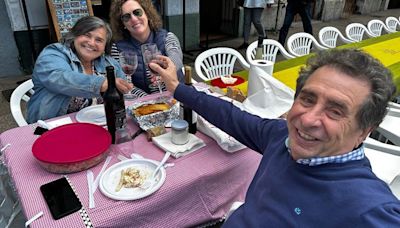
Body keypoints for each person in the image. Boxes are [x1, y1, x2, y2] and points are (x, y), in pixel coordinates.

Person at [151, 48, 400, 226]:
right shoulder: (281, 136)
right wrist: (178, 88)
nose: (307, 119)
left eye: (335, 111)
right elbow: (231, 116)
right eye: (307, 99)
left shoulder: (370, 209)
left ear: (364, 131)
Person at [27, 16, 132, 123]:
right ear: (75, 35)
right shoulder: (54, 53)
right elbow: (58, 77)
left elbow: (123, 90)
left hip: (98, 124)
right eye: (87, 35)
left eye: (99, 40)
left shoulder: (108, 63)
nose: (91, 43)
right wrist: (101, 84)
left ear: (105, 46)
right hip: (52, 125)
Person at [109, 0, 184, 95]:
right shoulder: (117, 48)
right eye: (126, 17)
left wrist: (165, 73)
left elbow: (176, 60)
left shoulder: (167, 37)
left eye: (137, 12)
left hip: (174, 97)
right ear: (122, 23)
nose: (134, 19)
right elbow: (123, 82)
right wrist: (148, 102)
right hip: (141, 104)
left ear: (147, 14)